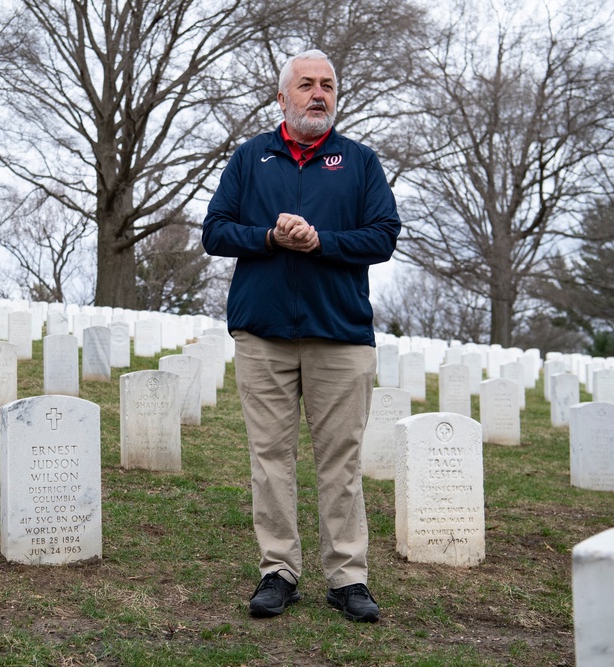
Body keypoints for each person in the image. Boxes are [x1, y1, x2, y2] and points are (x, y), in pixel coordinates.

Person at [201, 49, 400, 623]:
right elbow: (214, 231)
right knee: (270, 458)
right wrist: (268, 236)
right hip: (262, 334)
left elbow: (383, 236)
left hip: (339, 334)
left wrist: (321, 242)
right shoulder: (250, 157)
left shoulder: (359, 162)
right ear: (282, 97)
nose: (319, 94)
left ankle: (348, 578)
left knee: (340, 460)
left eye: (328, 86)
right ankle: (278, 571)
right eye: (307, 85)